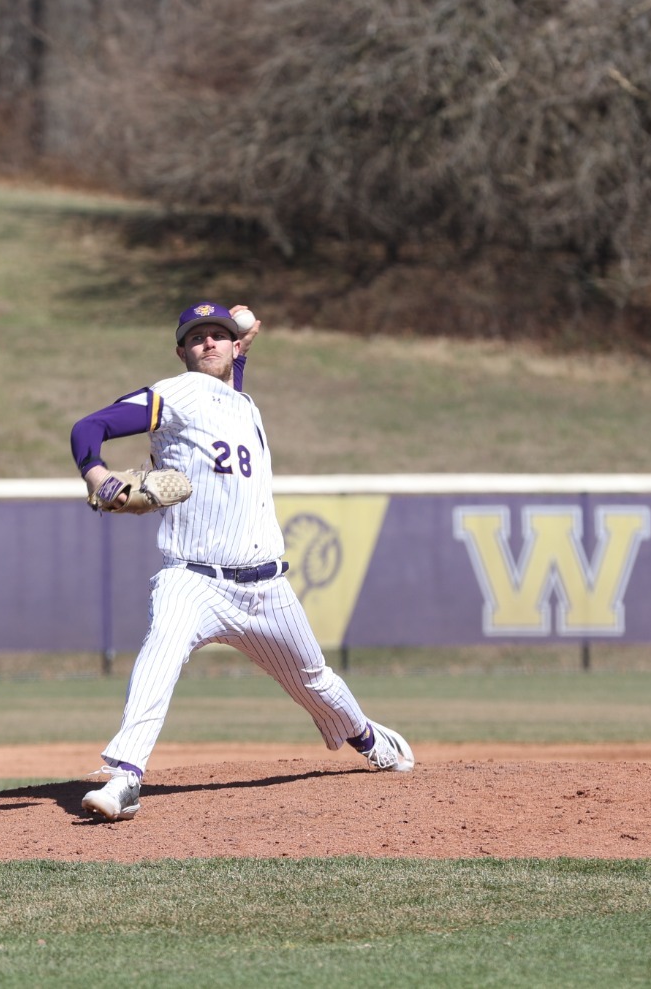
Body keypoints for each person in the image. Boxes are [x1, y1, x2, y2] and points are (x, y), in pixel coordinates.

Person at [69, 301, 414, 820]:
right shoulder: (175, 393)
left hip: (266, 588)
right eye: (197, 336)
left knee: (315, 679)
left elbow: (233, 366)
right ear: (181, 350)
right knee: (159, 658)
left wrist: (241, 338)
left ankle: (367, 738)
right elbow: (87, 427)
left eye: (218, 335)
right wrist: (98, 477)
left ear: (235, 348)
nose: (209, 342)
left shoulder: (241, 402)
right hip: (193, 579)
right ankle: (125, 778)